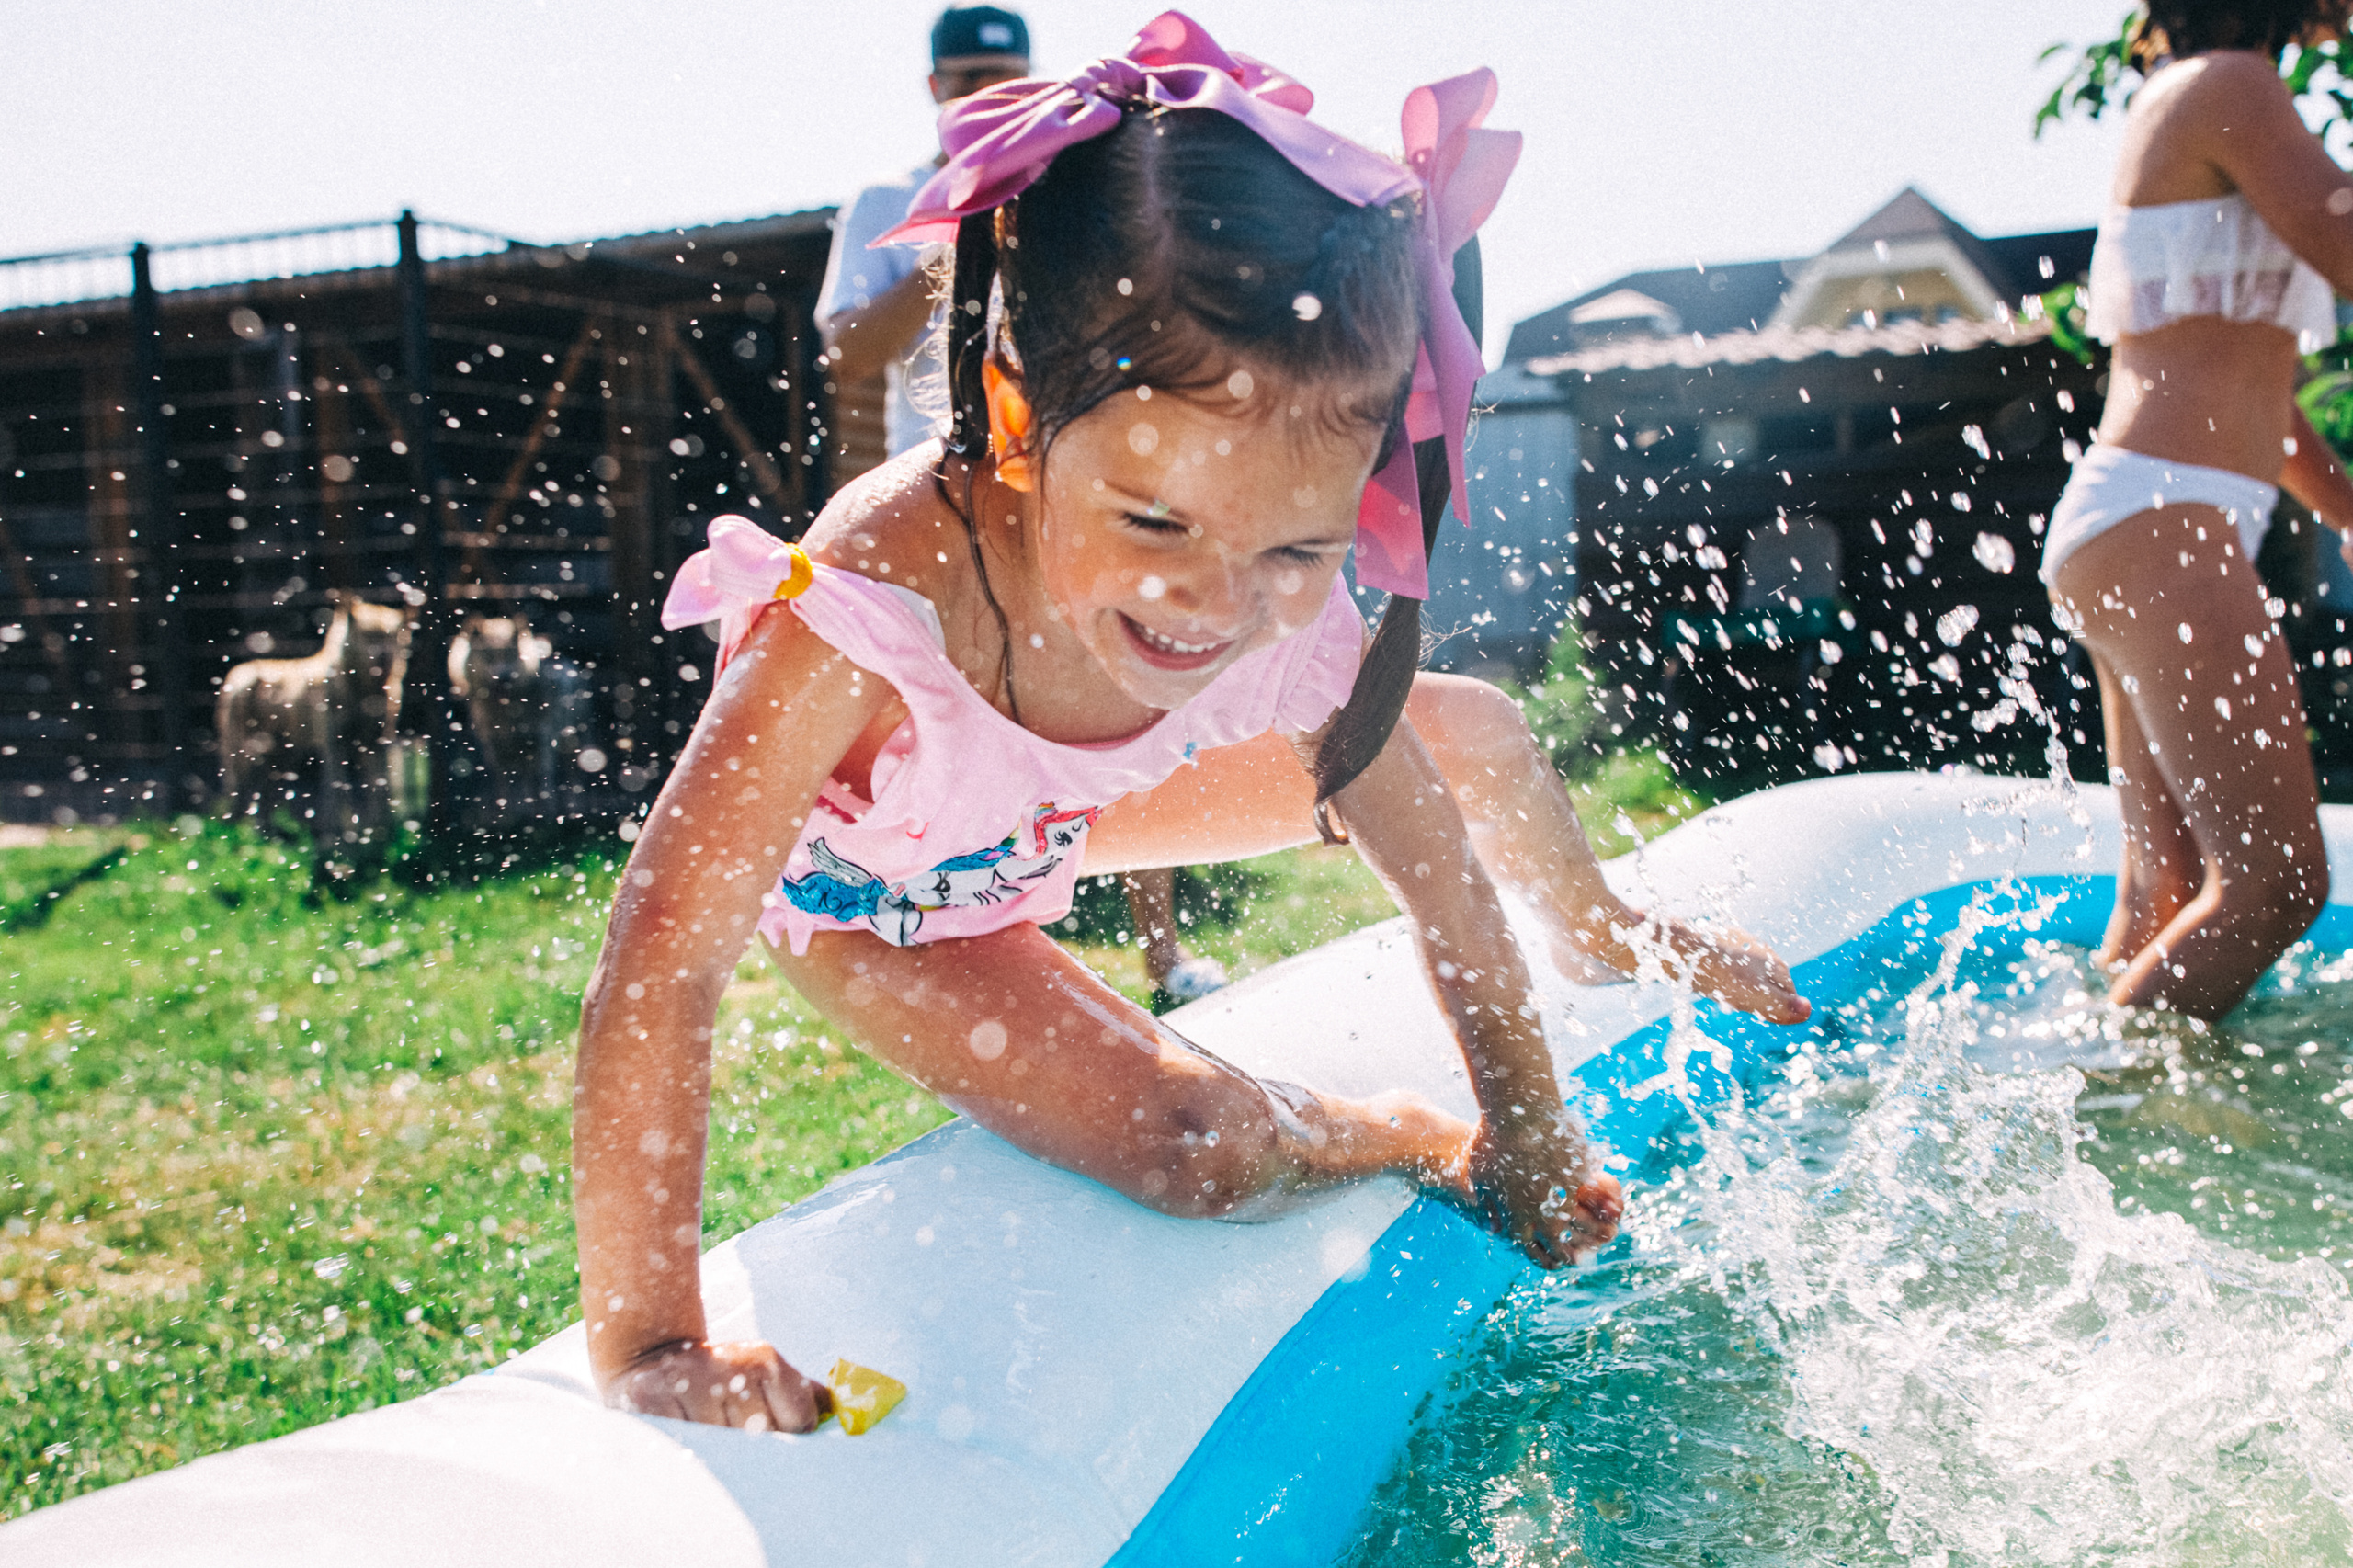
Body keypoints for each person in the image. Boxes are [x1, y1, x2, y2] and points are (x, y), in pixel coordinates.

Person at [574, 11, 1807, 1432]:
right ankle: (1403, 1136)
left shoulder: (1259, 592)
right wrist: (654, 1334)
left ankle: (1591, 921)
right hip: (887, 896)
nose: (1210, 606)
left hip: (1044, 813)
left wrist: (1536, 1128)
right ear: (1013, 406)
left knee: (1468, 738)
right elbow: (661, 955)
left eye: (1295, 545)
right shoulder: (865, 611)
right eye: (1154, 517)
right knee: (1203, 1152)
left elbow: (1442, 881)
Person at [817, 4, 1228, 1000]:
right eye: (962, 79)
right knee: (939, 735)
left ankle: (1163, 951)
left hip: (1060, 490)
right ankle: (936, 949)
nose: (982, 95)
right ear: (932, 89)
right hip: (939, 512)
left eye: (1001, 78)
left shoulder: (1067, 189)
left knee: (1120, 702)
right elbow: (846, 359)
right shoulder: (885, 198)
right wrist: (958, 226)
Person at [2044, 0, 2353, 1019]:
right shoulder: (2227, 85)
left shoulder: (2200, 96)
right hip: (2158, 518)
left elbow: (2260, 401)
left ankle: (2096, 1112)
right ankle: (2099, 1118)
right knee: (2278, 884)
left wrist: (2346, 512)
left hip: (2140, 519)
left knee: (2164, 896)